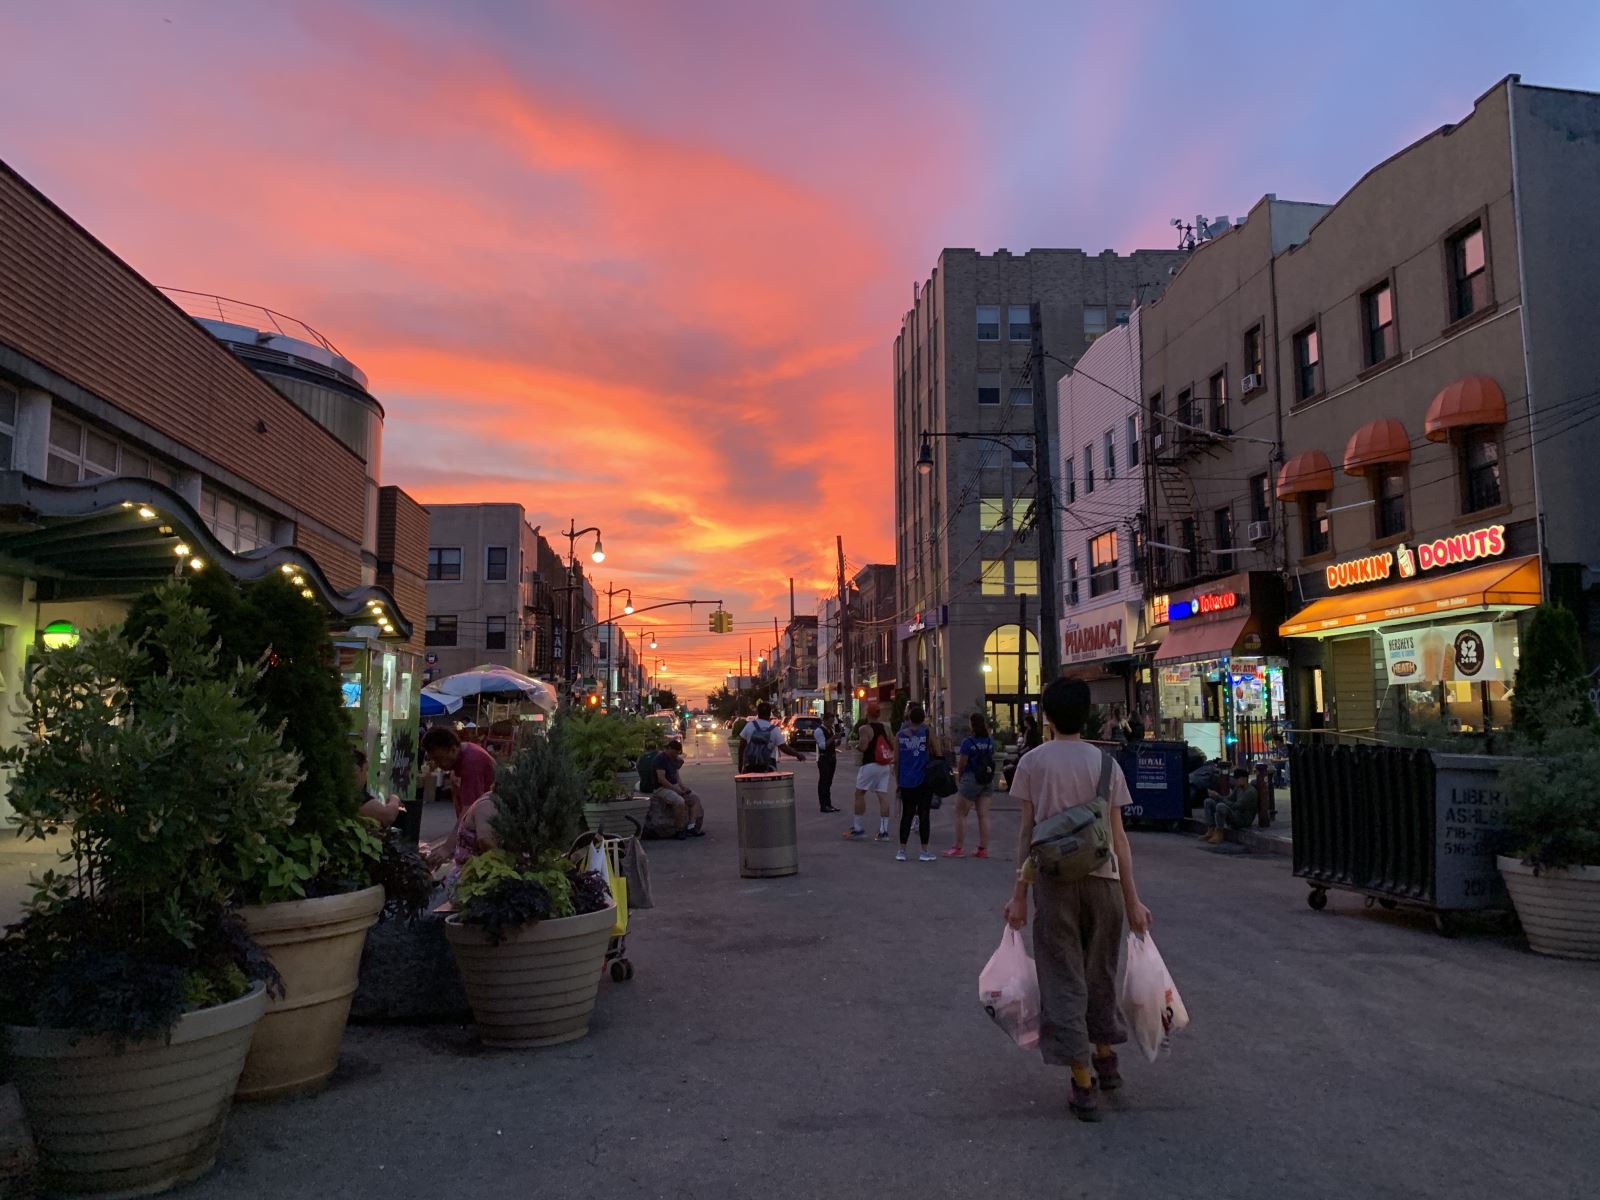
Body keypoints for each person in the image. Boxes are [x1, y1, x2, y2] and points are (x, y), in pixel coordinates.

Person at [1004, 679, 1152, 1123]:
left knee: (1063, 978)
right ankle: (1106, 1057)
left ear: (1046, 715)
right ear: (1086, 714)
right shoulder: (1106, 765)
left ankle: (1082, 1080)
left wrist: (1018, 896)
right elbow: (1120, 840)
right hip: (1104, 883)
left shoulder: (1032, 763)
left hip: (1054, 884)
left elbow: (1028, 837)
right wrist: (1133, 901)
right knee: (1100, 972)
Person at [422, 788, 499, 907]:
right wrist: (446, 849)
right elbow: (485, 841)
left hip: (478, 876)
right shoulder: (488, 804)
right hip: (470, 882)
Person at [945, 713, 996, 858]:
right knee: (983, 815)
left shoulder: (968, 742)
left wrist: (960, 778)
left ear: (972, 725)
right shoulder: (989, 741)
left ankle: (958, 847)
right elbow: (991, 758)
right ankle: (983, 848)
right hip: (986, 779)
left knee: (960, 813)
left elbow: (962, 763)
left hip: (971, 778)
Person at [893, 702, 939, 862]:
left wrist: (898, 781)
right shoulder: (928, 732)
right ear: (923, 718)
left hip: (906, 780)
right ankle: (924, 851)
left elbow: (896, 760)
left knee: (906, 814)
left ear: (909, 718)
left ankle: (902, 850)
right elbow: (938, 752)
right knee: (924, 814)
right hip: (924, 779)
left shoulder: (900, 735)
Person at [421, 727, 497, 821]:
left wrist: (455, 834)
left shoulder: (471, 762)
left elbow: (469, 809)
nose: (437, 764)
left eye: (439, 759)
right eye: (434, 760)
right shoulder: (459, 760)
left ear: (453, 750)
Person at [844, 702, 895, 841]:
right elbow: (893, 744)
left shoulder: (864, 729)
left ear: (867, 714)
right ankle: (884, 831)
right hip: (884, 765)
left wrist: (856, 747)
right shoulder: (886, 728)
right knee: (883, 796)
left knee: (860, 793)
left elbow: (864, 746)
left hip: (869, 764)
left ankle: (858, 828)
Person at [646, 739, 706, 840]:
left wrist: (682, 787)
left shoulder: (673, 759)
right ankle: (679, 829)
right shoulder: (660, 759)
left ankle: (691, 826)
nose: (675, 755)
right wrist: (676, 790)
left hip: (674, 786)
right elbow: (661, 779)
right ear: (669, 749)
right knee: (679, 801)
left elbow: (676, 776)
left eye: (677, 753)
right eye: (674, 753)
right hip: (661, 788)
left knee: (695, 798)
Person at [739, 701, 807, 774]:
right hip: (768, 765)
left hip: (750, 764)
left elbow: (741, 747)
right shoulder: (774, 729)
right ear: (769, 713)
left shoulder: (749, 726)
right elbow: (784, 748)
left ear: (758, 713)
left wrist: (740, 764)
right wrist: (797, 754)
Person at [1203, 767, 1258, 843]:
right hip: (1235, 814)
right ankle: (1210, 829)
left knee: (1220, 806)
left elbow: (1236, 806)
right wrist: (1216, 796)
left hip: (1243, 819)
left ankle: (1219, 833)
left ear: (1244, 779)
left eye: (1237, 779)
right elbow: (1229, 798)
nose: (1235, 781)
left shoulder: (1250, 792)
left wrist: (1219, 797)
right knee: (1208, 802)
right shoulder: (1238, 788)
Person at [353, 748, 402, 828]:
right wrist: (394, 798)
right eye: (366, 770)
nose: (366, 776)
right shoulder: (356, 797)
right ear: (358, 770)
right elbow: (388, 815)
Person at [815, 715, 841, 813]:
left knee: (829, 782)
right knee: (823, 781)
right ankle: (823, 805)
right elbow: (822, 746)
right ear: (824, 721)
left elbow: (833, 744)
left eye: (832, 722)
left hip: (832, 758)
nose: (831, 724)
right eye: (830, 722)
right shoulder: (819, 731)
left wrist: (837, 739)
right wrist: (833, 738)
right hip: (823, 758)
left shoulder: (831, 729)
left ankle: (828, 804)